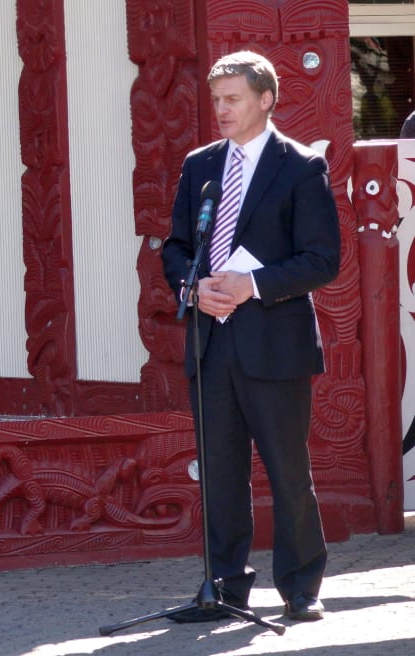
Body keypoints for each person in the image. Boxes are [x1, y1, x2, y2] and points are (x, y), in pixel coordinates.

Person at [161, 50, 340, 623]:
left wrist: (250, 285)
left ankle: (300, 587)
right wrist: (193, 290)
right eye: (217, 99)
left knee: (288, 470)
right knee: (219, 472)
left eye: (232, 98)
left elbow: (322, 259)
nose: (221, 110)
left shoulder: (301, 166)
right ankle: (223, 589)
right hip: (209, 344)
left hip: (275, 344)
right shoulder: (199, 166)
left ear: (266, 99)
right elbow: (176, 249)